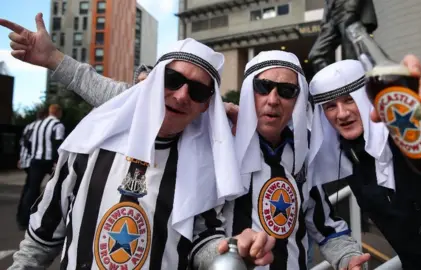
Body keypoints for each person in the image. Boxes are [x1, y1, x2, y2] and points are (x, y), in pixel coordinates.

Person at [3, 14, 274, 270]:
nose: (181, 96)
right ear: (152, 82)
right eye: (173, 79)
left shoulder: (203, 165)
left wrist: (231, 252)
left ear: (206, 106)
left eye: (198, 90)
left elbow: (201, 240)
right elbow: (42, 238)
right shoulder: (91, 142)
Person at [308, 59, 421, 269]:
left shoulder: (407, 134)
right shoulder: (348, 157)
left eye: (349, 100)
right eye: (331, 106)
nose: (342, 113)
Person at [230, 50, 369, 270]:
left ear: (298, 100)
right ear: (248, 91)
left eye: (287, 91)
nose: (273, 100)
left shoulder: (303, 155)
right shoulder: (219, 149)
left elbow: (325, 226)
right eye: (263, 87)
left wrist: (348, 257)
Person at [16, 104, 65, 231]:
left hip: (36, 160)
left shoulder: (38, 124)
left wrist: (33, 153)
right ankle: (57, 217)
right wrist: (57, 161)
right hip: (49, 160)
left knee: (31, 189)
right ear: (58, 112)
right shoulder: (57, 125)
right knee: (61, 186)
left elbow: (28, 142)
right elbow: (57, 144)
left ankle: (23, 220)